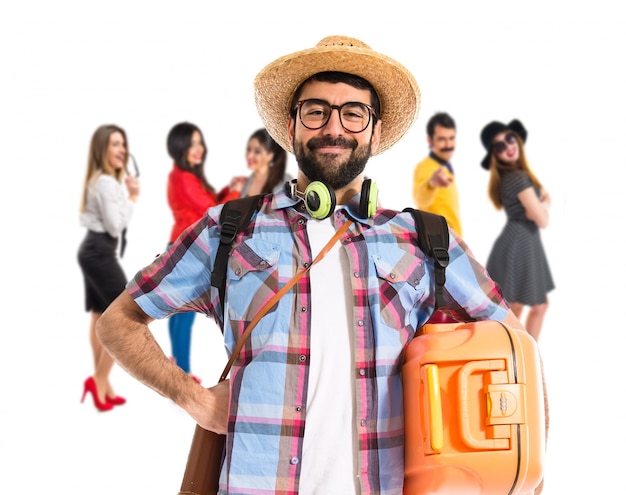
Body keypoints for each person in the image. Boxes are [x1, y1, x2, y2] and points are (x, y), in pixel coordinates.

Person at [96, 36, 536, 494]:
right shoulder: (229, 229)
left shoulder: (426, 240)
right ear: (291, 127)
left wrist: (520, 469)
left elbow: (515, 345)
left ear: (375, 132)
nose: (334, 127)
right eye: (316, 111)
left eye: (353, 113)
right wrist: (195, 400)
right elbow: (118, 322)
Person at [165, 121, 245, 381]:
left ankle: (177, 364)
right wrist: (234, 191)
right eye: (192, 144)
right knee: (184, 314)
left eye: (200, 143)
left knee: (179, 312)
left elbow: (208, 201)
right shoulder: (183, 179)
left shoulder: (185, 176)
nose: (198, 149)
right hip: (186, 250)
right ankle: (182, 372)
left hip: (181, 246)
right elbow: (213, 211)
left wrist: (227, 189)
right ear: (180, 148)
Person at [77, 124, 139, 412]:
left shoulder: (100, 181)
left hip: (92, 250)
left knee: (100, 314)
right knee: (122, 316)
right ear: (102, 149)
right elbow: (115, 225)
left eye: (123, 144)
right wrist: (133, 198)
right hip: (100, 251)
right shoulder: (106, 183)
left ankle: (102, 382)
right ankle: (99, 380)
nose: (121, 150)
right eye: (115, 144)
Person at [480, 119, 555, 342]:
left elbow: (536, 215)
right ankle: (524, 359)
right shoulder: (517, 178)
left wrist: (539, 204)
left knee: (523, 308)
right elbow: (542, 220)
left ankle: (526, 359)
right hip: (519, 244)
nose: (508, 147)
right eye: (500, 146)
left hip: (523, 243)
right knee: (514, 312)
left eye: (510, 139)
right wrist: (545, 202)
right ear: (495, 155)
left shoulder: (513, 177)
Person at [412, 112, 462, 236]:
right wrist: (431, 183)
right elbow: (419, 198)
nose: (448, 145)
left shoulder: (445, 168)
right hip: (440, 240)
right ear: (430, 140)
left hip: (452, 239)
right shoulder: (426, 167)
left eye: (451, 138)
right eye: (442, 139)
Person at [241, 127, 292, 196]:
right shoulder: (243, 183)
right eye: (249, 149)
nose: (249, 155)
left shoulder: (286, 182)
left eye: (257, 151)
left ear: (270, 156)